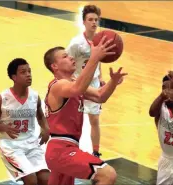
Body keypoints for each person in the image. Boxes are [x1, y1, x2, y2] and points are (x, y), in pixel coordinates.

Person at [44, 36, 127, 185]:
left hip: (66, 148)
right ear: (54, 66)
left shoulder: (72, 83)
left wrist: (113, 82)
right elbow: (77, 89)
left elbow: (100, 96)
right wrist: (94, 58)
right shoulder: (57, 85)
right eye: (65, 56)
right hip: (61, 149)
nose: (70, 57)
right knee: (108, 175)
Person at [0, 58, 50, 185]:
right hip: (11, 146)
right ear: (13, 77)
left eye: (29, 71)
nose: (28, 75)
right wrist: (4, 128)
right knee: (31, 180)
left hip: (31, 144)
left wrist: (45, 129)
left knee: (46, 179)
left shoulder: (34, 96)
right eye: (23, 72)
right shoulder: (2, 98)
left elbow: (41, 115)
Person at [66, 4, 105, 157]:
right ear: (83, 22)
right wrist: (71, 80)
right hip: (77, 83)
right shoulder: (76, 43)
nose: (94, 23)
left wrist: (101, 77)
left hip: (93, 84)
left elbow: (98, 60)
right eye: (90, 19)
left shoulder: (100, 40)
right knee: (75, 120)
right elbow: (67, 62)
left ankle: (96, 152)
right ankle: (72, 149)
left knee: (94, 120)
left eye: (96, 20)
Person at [149, 71, 173, 185]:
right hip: (165, 160)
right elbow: (151, 112)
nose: (167, 92)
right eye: (164, 88)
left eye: (171, 88)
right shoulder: (161, 106)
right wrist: (162, 95)